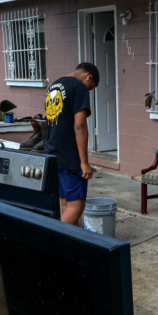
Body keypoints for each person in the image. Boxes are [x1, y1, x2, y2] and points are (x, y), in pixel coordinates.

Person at [43, 62, 100, 225]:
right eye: (91, 86)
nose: (88, 89)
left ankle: (73, 247)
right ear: (89, 77)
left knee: (66, 204)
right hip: (69, 156)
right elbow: (80, 126)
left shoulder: (54, 86)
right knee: (76, 208)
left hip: (52, 153)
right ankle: (48, 240)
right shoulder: (79, 87)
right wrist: (84, 163)